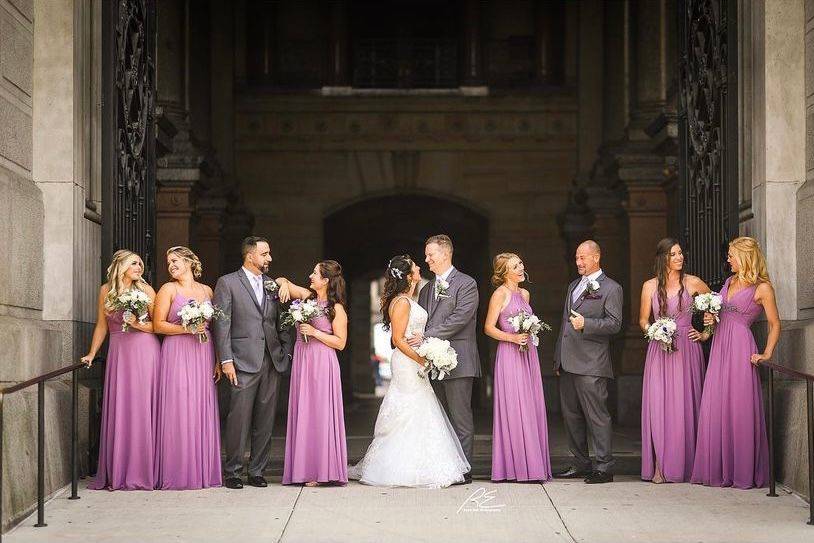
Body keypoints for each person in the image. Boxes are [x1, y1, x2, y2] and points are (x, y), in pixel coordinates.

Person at [349, 255, 470, 487]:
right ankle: (399, 468)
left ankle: (420, 464)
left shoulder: (408, 299)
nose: (419, 267)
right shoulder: (402, 302)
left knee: (420, 408)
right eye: (415, 267)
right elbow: (397, 339)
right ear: (408, 276)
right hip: (406, 361)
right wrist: (421, 358)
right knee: (409, 408)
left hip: (413, 360)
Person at [691, 236, 780, 489]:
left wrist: (767, 353)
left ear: (744, 257)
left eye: (731, 255)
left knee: (739, 406)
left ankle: (742, 471)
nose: (727, 259)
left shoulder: (763, 288)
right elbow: (719, 319)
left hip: (741, 347)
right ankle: (719, 470)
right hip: (720, 347)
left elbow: (775, 324)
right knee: (716, 404)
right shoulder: (729, 282)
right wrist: (708, 327)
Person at [211, 236, 294, 489]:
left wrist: (286, 352)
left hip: (271, 360)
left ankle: (257, 471)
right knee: (239, 419)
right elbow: (222, 323)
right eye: (265, 254)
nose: (269, 258)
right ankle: (234, 471)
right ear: (250, 256)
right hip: (241, 361)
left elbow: (282, 321)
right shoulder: (227, 283)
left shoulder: (272, 285)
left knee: (265, 421)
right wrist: (226, 360)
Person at [85, 250, 161, 491]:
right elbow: (101, 326)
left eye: (140, 263)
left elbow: (158, 326)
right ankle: (119, 470)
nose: (139, 266)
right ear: (120, 266)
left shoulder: (148, 291)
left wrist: (137, 324)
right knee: (122, 406)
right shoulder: (106, 291)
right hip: (120, 354)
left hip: (145, 351)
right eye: (134, 263)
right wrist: (92, 353)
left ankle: (145, 469)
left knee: (142, 406)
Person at [639, 238, 711, 483]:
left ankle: (687, 464)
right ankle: (660, 466)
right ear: (663, 259)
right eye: (674, 254)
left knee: (684, 405)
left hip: (687, 350)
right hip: (659, 351)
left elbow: (716, 307)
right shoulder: (649, 286)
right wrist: (655, 331)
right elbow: (642, 320)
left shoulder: (693, 283)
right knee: (658, 405)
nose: (680, 257)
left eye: (681, 253)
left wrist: (705, 333)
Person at [553, 240, 623, 484]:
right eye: (576, 257)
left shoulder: (612, 288)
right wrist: (557, 359)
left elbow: (615, 324)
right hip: (567, 361)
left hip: (592, 362)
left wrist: (588, 325)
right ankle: (581, 463)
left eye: (583, 257)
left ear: (596, 257)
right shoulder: (573, 285)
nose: (579, 262)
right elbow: (564, 325)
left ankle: (604, 466)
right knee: (571, 416)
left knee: (597, 416)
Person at [153, 246, 222, 490]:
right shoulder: (167, 289)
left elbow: (214, 328)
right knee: (179, 407)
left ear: (190, 262)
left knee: (200, 406)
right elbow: (158, 325)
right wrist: (186, 329)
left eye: (175, 260)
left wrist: (217, 358)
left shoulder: (207, 290)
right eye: (168, 262)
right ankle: (177, 471)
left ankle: (202, 470)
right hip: (177, 352)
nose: (170, 265)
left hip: (203, 353)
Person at [412, 235, 479, 483]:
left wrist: (426, 336)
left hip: (459, 360)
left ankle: (464, 470)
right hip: (432, 361)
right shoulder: (427, 288)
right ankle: (445, 468)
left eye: (430, 254)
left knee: (460, 417)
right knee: (439, 418)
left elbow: (461, 318)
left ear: (446, 254)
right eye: (426, 255)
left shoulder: (467, 283)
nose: (426, 259)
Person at [277, 261, 349, 486]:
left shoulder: (336, 308)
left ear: (326, 280)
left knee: (320, 413)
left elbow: (340, 343)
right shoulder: (307, 297)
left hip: (322, 362)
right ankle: (303, 468)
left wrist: (316, 332)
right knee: (304, 411)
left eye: (315, 273)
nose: (310, 275)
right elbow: (283, 281)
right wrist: (282, 284)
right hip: (303, 360)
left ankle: (321, 471)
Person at [485, 253, 552, 482]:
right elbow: (488, 328)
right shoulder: (499, 294)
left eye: (521, 263)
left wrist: (530, 332)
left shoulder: (525, 293)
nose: (521, 268)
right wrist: (511, 338)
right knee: (515, 406)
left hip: (528, 355)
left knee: (530, 406)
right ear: (504, 272)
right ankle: (514, 467)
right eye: (515, 266)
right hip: (510, 355)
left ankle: (533, 465)